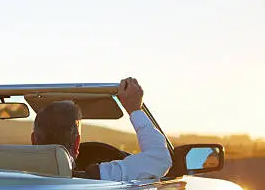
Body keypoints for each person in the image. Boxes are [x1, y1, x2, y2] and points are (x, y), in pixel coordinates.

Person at [30, 77, 172, 181]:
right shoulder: (94, 177)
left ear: (33, 139)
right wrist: (134, 109)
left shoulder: (10, 171)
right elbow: (159, 159)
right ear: (77, 143)